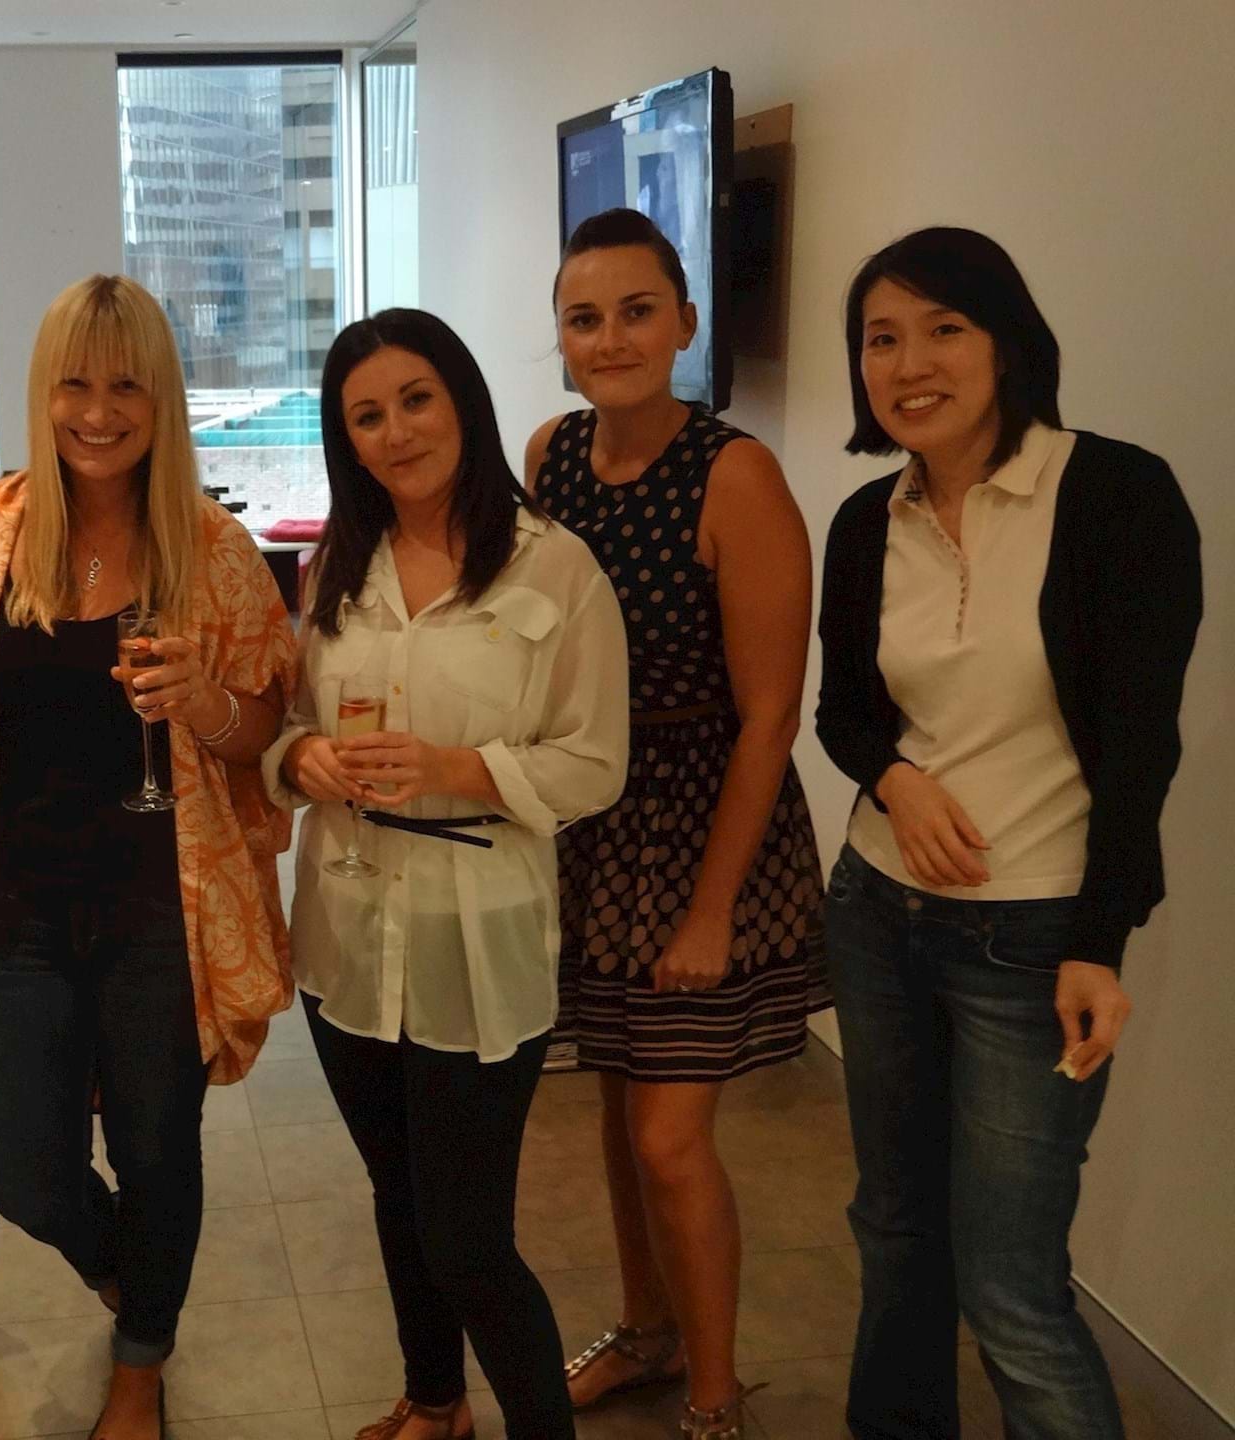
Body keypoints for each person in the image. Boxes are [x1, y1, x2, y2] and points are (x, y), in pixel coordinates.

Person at [816, 226, 1200, 1440]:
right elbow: (843, 713)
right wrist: (895, 780)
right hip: (876, 914)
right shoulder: (867, 520)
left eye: (945, 328)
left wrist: (1100, 945)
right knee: (894, 1229)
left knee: (1012, 1285)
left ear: (1008, 342)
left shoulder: (1118, 496)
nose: (910, 363)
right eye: (881, 338)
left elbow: (1142, 748)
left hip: (1031, 939)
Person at [0, 273, 294, 1440]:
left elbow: (264, 731)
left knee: (159, 1147)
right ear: (42, 392)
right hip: (17, 905)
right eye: (75, 383)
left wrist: (205, 701)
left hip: (161, 908)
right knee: (23, 1165)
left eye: (127, 385)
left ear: (162, 397)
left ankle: (140, 1363)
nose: (98, 411)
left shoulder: (213, 548)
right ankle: (132, 1271)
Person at [266, 308, 629, 1440]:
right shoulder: (337, 566)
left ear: (463, 400)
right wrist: (303, 760)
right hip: (347, 927)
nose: (397, 432)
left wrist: (455, 768)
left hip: (479, 931)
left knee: (468, 1238)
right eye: (366, 416)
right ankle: (435, 1402)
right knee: (397, 1196)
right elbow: (289, 727)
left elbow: (596, 763)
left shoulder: (554, 566)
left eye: (416, 399)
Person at [525, 210, 827, 1440]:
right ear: (560, 338)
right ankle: (648, 1333)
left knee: (669, 1137)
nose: (611, 339)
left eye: (637, 311)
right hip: (592, 821)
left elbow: (770, 716)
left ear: (686, 323)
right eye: (585, 318)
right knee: (616, 1105)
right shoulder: (549, 454)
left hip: (706, 824)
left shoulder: (736, 475)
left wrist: (710, 910)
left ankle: (713, 1396)